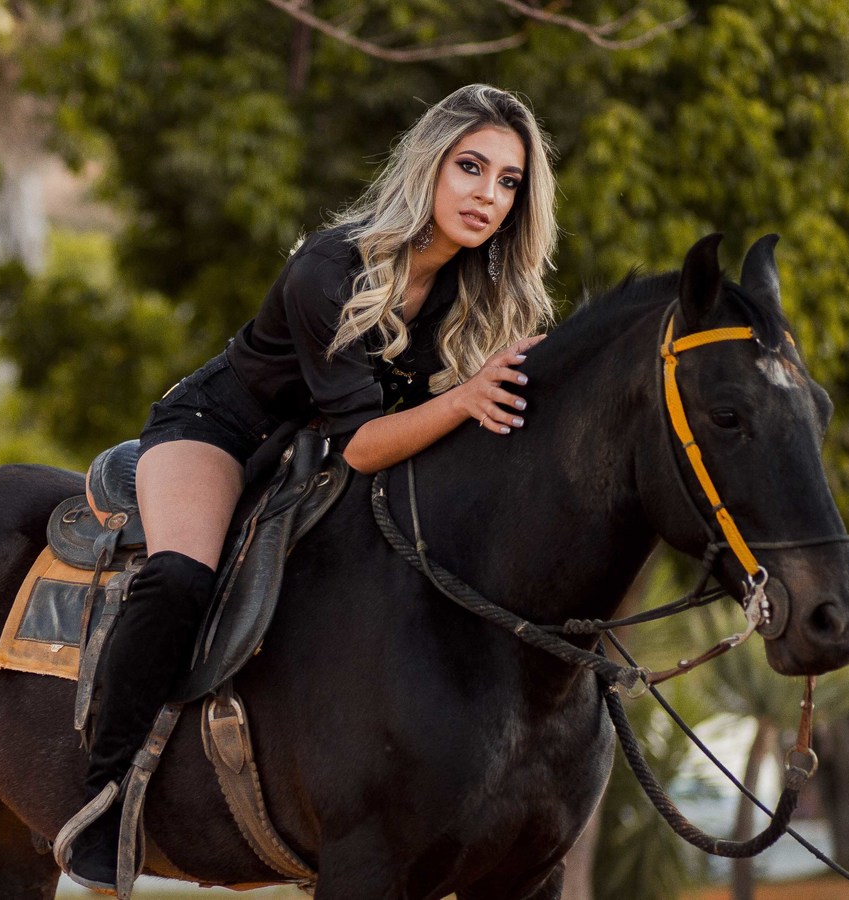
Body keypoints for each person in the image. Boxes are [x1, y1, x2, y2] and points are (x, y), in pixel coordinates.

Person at [61, 83, 560, 891]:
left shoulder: (482, 294)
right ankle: (105, 797)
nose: (488, 195)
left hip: (318, 457)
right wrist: (463, 398)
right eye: (471, 167)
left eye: (508, 181)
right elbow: (361, 444)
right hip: (224, 433)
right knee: (182, 576)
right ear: (429, 166)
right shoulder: (332, 266)